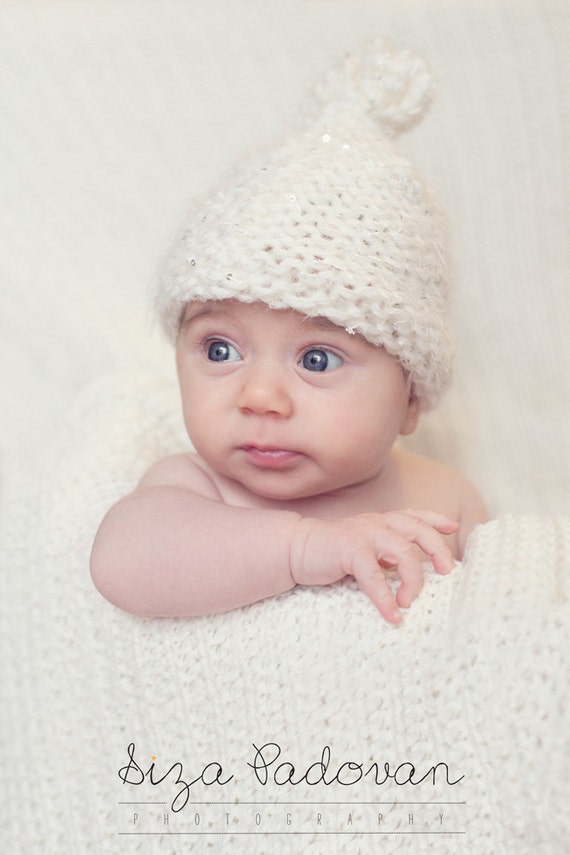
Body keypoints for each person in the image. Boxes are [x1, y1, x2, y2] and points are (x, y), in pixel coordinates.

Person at [90, 39, 488, 625]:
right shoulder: (193, 488)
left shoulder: (445, 501)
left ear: (411, 399)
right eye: (220, 349)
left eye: (318, 360)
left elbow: (505, 608)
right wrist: (305, 548)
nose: (259, 398)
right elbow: (122, 564)